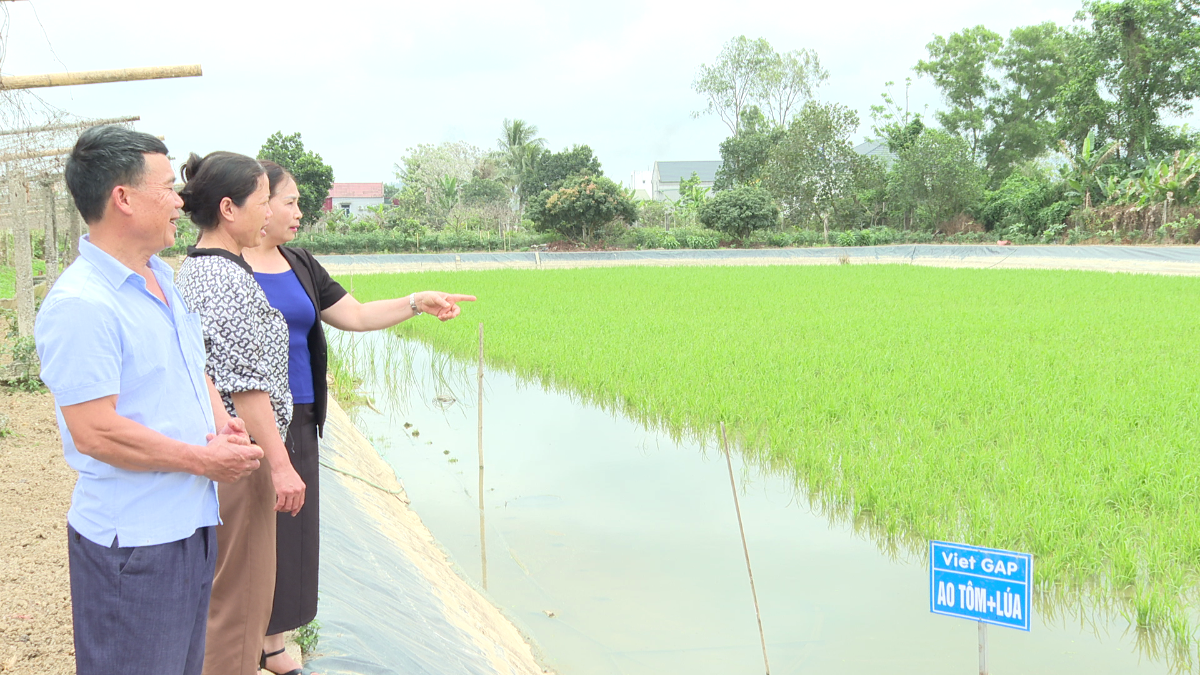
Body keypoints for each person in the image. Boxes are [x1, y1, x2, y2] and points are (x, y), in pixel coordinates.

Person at [34, 125, 263, 675]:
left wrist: (220, 423)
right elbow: (96, 431)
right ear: (123, 198)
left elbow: (190, 367)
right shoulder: (82, 305)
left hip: (189, 524)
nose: (180, 200)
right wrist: (201, 459)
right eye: (167, 187)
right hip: (134, 545)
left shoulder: (160, 275)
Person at [243, 161, 475, 675]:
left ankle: (274, 643)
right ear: (257, 203)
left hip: (300, 416)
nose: (299, 212)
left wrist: (418, 301)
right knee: (244, 531)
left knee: (291, 533)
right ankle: (237, 643)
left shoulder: (299, 262)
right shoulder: (223, 265)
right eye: (290, 201)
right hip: (241, 416)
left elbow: (357, 314)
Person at [174, 152, 304, 675]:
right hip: (243, 457)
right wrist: (279, 464)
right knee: (241, 602)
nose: (269, 214)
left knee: (226, 595)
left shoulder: (201, 271)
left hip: (223, 451)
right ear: (229, 208)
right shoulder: (224, 280)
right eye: (262, 202)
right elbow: (246, 387)